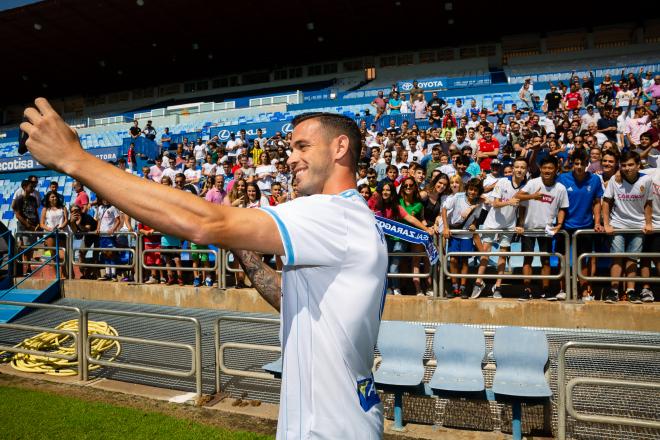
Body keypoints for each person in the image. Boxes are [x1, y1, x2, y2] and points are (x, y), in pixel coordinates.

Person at [602, 151, 654, 303]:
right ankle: (614, 291)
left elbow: (648, 203)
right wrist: (606, 224)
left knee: (632, 259)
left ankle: (631, 290)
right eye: (623, 165)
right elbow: (606, 202)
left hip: (638, 226)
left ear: (638, 166)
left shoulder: (646, 180)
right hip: (618, 224)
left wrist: (648, 223)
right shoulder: (615, 179)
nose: (627, 168)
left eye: (631, 165)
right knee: (617, 258)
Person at [473, 158, 528, 299]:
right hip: (492, 222)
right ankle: (478, 282)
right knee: (485, 253)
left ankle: (498, 286)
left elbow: (522, 208)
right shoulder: (502, 182)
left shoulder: (526, 186)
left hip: (509, 224)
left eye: (522, 167)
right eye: (517, 167)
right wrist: (509, 202)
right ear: (513, 169)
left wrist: (520, 224)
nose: (520, 169)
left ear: (526, 170)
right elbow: (495, 204)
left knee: (503, 255)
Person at [515, 156, 569, 301]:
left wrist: (559, 224)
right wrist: (533, 196)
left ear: (556, 169)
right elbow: (518, 196)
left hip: (547, 229)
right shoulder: (533, 183)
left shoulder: (560, 188)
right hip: (529, 228)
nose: (547, 171)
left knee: (545, 260)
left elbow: (562, 208)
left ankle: (546, 289)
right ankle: (526, 290)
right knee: (527, 259)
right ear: (540, 169)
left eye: (550, 168)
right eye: (544, 168)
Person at [555, 150, 604, 301]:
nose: (579, 167)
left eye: (582, 164)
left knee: (582, 259)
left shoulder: (595, 179)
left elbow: (597, 203)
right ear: (572, 163)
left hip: (585, 225)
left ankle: (584, 291)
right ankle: (563, 290)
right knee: (562, 258)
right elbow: (557, 202)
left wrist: (597, 222)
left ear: (587, 164)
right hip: (565, 225)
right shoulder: (563, 178)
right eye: (576, 163)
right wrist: (558, 223)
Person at [442, 178, 484, 299]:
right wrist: (445, 227)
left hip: (467, 235)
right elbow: (444, 209)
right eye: (471, 189)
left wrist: (474, 224)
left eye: (475, 190)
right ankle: (454, 286)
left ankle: (463, 287)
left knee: (465, 261)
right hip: (454, 234)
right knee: (453, 260)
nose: (472, 192)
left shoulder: (478, 203)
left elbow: (476, 217)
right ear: (467, 189)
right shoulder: (458, 197)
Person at [12, 179, 40, 275]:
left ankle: (28, 268)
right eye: (31, 187)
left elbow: (36, 212)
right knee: (26, 247)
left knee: (31, 248)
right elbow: (18, 215)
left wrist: (38, 223)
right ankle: (26, 268)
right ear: (24, 187)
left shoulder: (33, 199)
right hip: (24, 227)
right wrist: (27, 225)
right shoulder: (19, 199)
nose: (33, 188)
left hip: (33, 226)